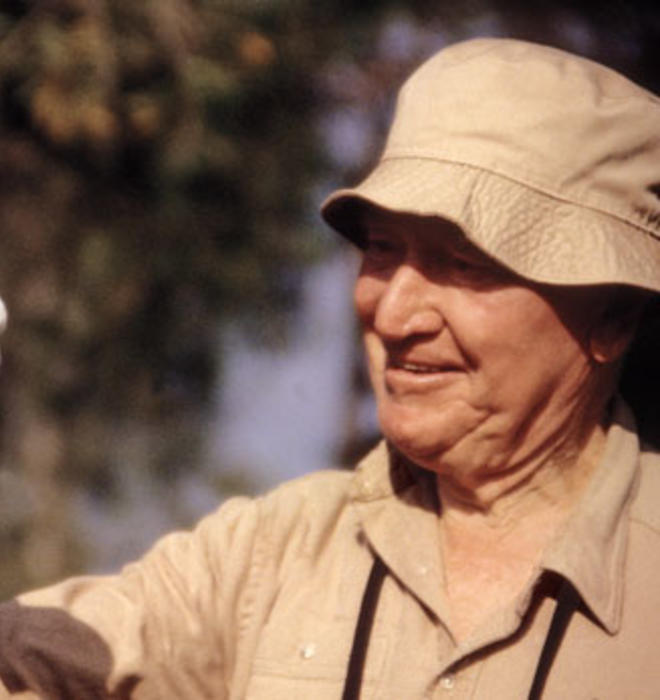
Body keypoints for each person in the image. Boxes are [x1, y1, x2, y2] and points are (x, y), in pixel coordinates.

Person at [1, 36, 659, 699]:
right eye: (381, 249)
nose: (395, 314)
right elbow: (38, 660)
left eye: (466, 263)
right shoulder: (274, 553)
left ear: (614, 319)